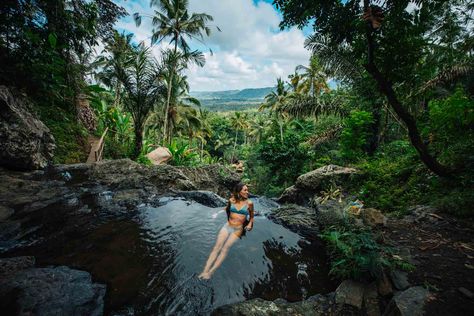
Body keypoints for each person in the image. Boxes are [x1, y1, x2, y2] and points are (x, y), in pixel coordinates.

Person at [198, 182, 254, 279]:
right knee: (217, 247)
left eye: (247, 190)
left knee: (225, 248)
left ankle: (210, 272)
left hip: (238, 229)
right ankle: (204, 270)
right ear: (239, 191)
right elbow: (226, 209)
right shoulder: (231, 200)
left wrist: (249, 224)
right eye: (245, 190)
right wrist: (217, 213)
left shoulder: (249, 203)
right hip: (227, 226)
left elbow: (252, 217)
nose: (247, 192)